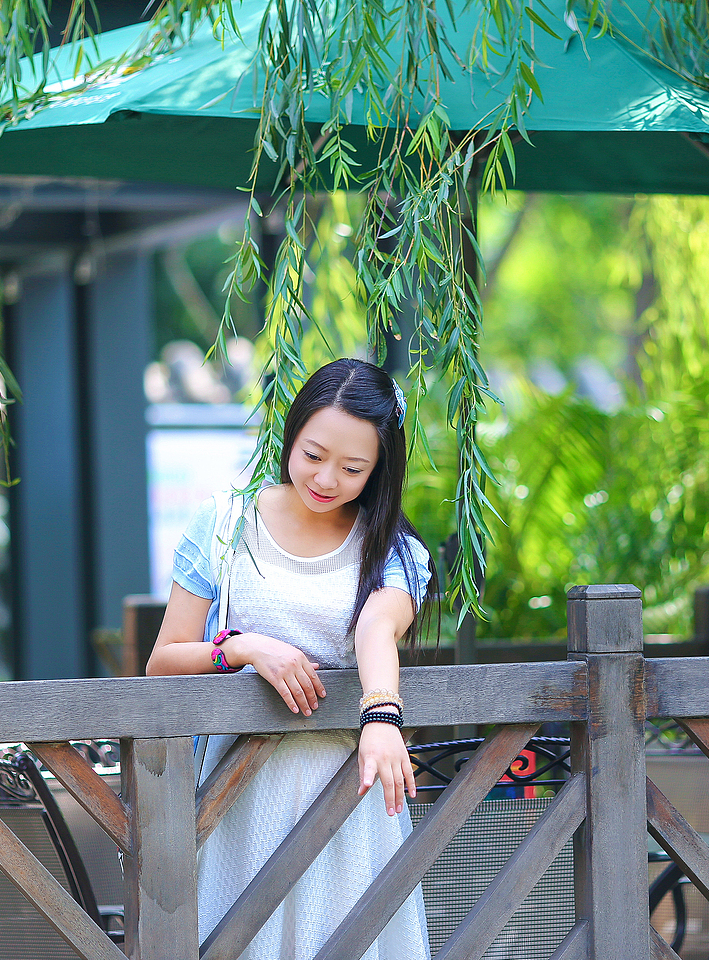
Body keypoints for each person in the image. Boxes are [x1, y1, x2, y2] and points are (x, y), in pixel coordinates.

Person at [147, 357, 436, 959]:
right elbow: (163, 661)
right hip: (237, 796)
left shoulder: (392, 550)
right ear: (292, 434)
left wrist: (382, 718)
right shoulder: (224, 523)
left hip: (347, 795)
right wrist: (243, 647)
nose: (327, 478)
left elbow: (375, 629)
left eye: (353, 468)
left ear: (380, 469)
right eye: (313, 455)